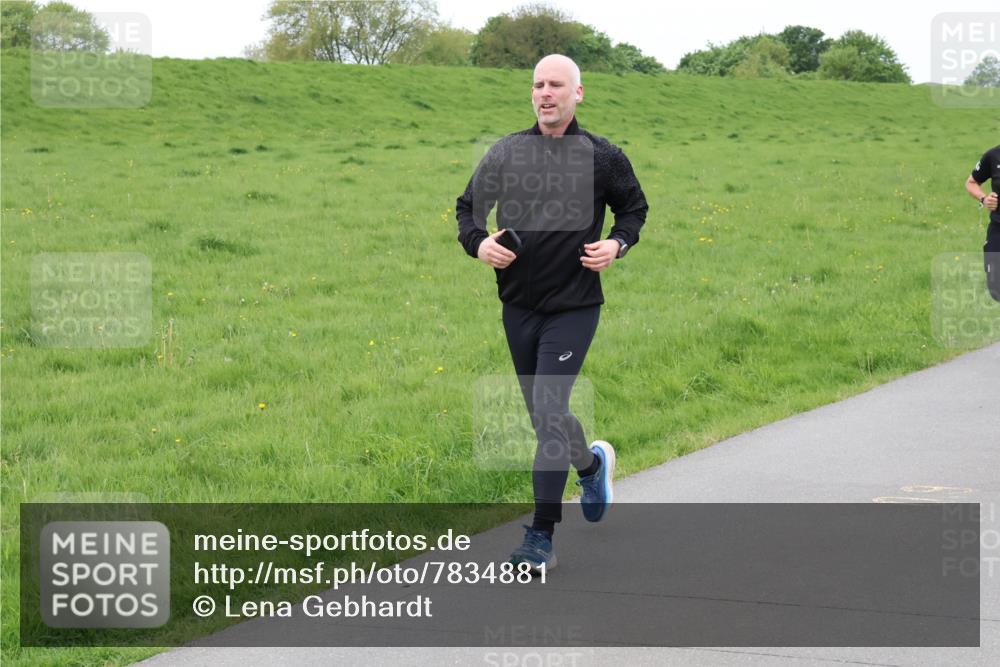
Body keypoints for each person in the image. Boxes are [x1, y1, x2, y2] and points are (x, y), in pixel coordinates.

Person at [455, 54, 649, 572]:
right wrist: (478, 245)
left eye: (556, 85)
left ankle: (539, 536)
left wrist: (617, 244)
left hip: (575, 305)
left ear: (577, 94)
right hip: (518, 306)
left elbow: (634, 209)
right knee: (545, 413)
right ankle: (589, 464)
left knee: (545, 406)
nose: (545, 93)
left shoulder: (603, 157)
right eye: (538, 84)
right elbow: (467, 210)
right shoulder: (507, 153)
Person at [966, 145, 1000, 301]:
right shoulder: (993, 155)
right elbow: (971, 182)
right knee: (995, 287)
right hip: (997, 229)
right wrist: (985, 199)